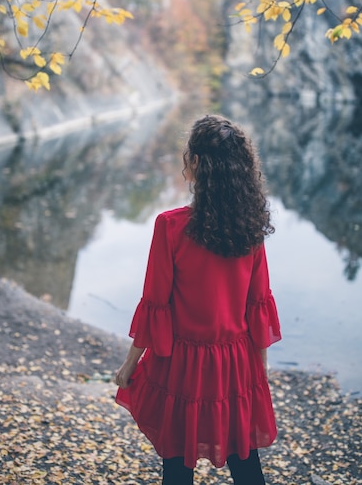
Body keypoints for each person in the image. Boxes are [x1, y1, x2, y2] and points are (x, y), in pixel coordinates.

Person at [115, 114, 281, 485]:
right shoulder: (250, 228)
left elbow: (155, 304)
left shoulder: (170, 227)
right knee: (244, 458)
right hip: (235, 363)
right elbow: (258, 306)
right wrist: (260, 366)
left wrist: (130, 365)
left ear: (196, 164)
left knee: (176, 463)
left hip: (181, 362)